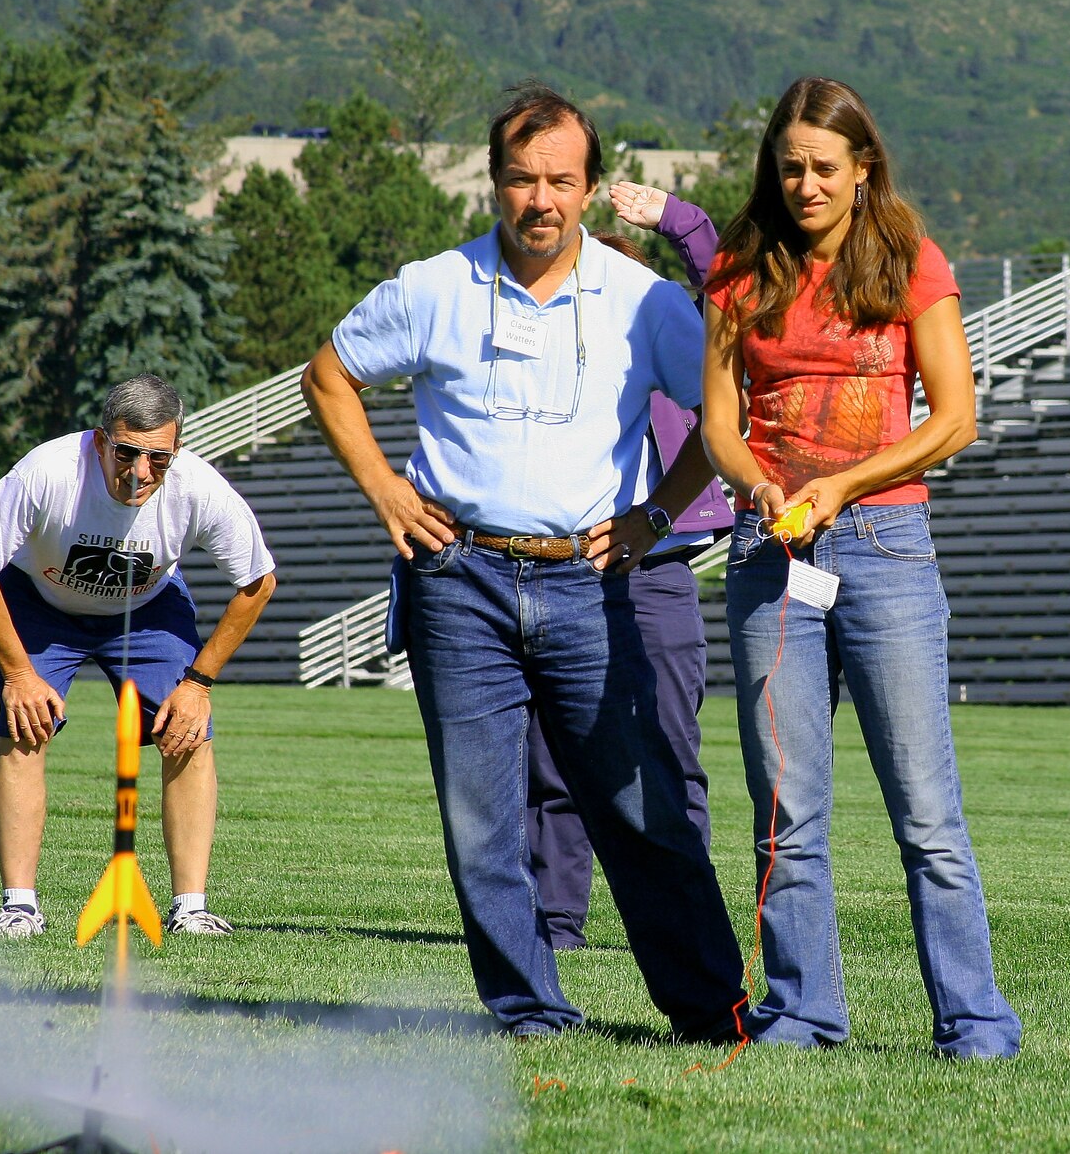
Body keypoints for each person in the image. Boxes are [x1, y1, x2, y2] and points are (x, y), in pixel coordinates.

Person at [301, 84, 747, 1040]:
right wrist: (384, 487)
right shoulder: (434, 287)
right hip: (457, 579)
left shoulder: (644, 300)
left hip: (593, 581)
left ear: (589, 187)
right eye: (520, 179)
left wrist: (657, 516)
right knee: (482, 822)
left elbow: (723, 416)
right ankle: (530, 1009)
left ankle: (714, 1011)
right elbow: (329, 374)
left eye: (560, 180)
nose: (540, 199)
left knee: (641, 805)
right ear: (493, 183)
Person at [701, 76, 1021, 1058]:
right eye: (789, 166)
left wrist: (843, 486)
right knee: (784, 813)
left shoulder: (912, 264)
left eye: (824, 168)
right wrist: (757, 483)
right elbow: (718, 423)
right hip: (771, 557)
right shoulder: (735, 269)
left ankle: (972, 1021)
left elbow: (955, 419)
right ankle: (800, 1011)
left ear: (863, 167)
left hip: (885, 548)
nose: (804, 184)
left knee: (925, 815)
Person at [0, 374, 276, 940]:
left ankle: (191, 908)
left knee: (187, 732)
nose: (142, 472)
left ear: (176, 451)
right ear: (101, 441)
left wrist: (199, 683)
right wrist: (19, 673)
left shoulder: (198, 487)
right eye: (127, 453)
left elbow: (258, 580)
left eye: (159, 458)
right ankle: (19, 906)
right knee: (26, 726)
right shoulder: (47, 473)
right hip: (40, 602)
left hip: (148, 610)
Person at [521, 185, 730, 950]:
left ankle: (689, 918)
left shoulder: (670, 325)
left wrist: (683, 221)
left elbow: (730, 301)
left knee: (670, 749)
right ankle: (555, 922)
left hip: (659, 568)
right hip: (565, 567)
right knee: (552, 751)